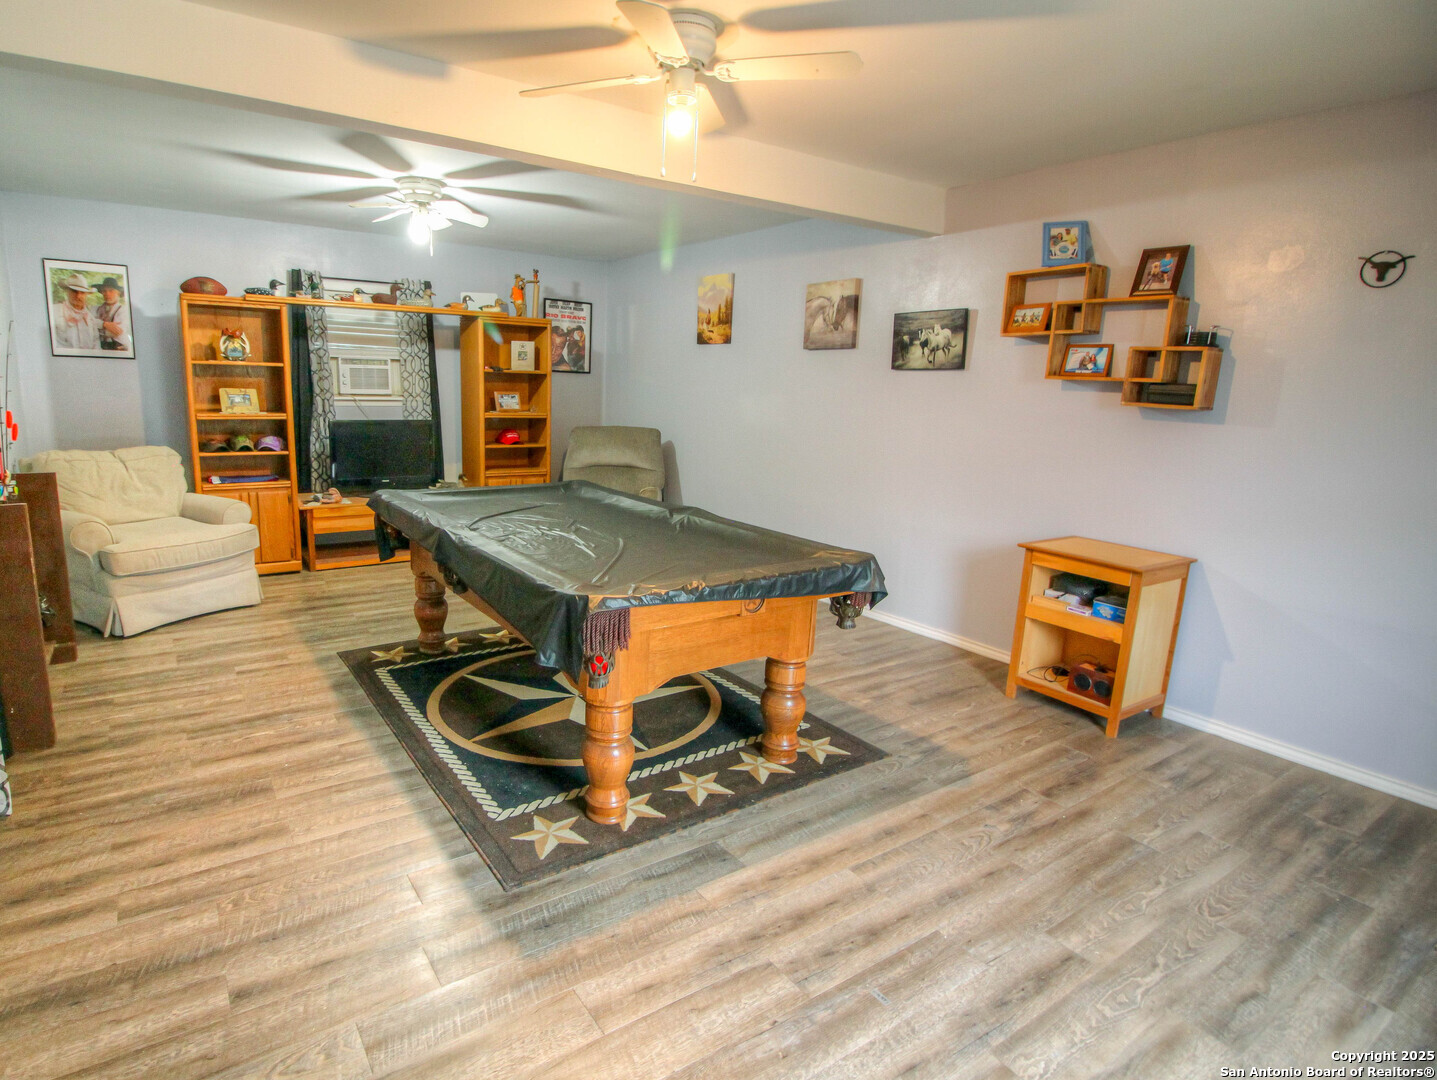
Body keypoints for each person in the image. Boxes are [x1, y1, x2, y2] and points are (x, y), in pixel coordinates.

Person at [50, 273, 101, 351]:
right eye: (74, 291)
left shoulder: (90, 319)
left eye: (82, 292)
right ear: (67, 291)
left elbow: (96, 344)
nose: (78, 296)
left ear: (86, 294)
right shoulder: (54, 311)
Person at [94, 276, 131, 351]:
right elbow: (88, 323)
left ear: (118, 293)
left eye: (111, 291)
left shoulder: (124, 310)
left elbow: (117, 331)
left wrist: (97, 326)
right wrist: (105, 324)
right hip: (100, 348)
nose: (107, 294)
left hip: (119, 348)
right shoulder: (96, 309)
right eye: (104, 291)